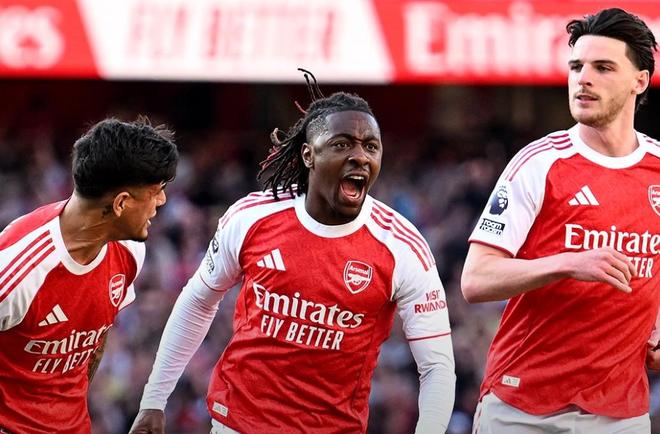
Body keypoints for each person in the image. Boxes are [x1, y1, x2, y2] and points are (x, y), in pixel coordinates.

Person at [130, 76, 455, 434]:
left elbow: (437, 366)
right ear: (308, 155)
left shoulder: (402, 247)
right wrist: (154, 399)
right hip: (236, 424)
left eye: (371, 146)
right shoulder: (252, 217)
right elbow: (197, 301)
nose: (360, 157)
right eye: (342, 144)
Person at [461, 8, 659, 434]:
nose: (583, 79)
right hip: (522, 408)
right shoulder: (539, 163)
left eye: (603, 67)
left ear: (640, 81)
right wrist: (569, 263)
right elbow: (475, 280)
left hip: (621, 414)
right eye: (576, 66)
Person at [0, 117, 178, 434]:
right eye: (155, 191)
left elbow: (95, 340)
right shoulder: (17, 269)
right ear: (121, 203)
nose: (162, 201)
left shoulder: (129, 250)